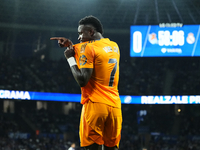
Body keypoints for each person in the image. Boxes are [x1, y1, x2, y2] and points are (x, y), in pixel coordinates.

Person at [50, 15, 122, 150]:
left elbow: (82, 80)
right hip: (115, 106)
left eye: (80, 33)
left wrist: (70, 59)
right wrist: (71, 45)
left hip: (95, 105)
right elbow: (93, 50)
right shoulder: (114, 46)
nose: (79, 37)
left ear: (91, 32)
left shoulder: (88, 48)